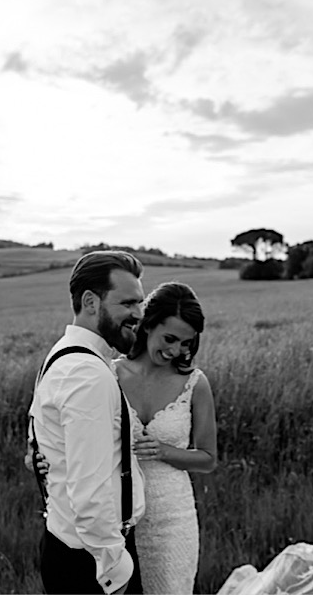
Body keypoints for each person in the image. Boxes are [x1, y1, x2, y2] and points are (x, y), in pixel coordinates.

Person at [27, 250, 147, 594]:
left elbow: (39, 438)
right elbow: (90, 489)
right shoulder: (85, 373)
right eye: (127, 303)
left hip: (76, 549)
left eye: (140, 303)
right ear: (91, 302)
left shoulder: (63, 355)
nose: (138, 314)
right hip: (92, 561)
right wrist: (114, 570)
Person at [116, 281, 217, 594]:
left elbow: (208, 459)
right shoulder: (108, 375)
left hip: (172, 519)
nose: (175, 351)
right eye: (170, 338)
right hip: (114, 518)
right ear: (148, 324)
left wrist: (163, 451)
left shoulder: (195, 384)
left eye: (186, 343)